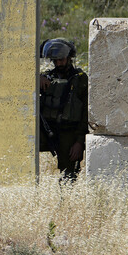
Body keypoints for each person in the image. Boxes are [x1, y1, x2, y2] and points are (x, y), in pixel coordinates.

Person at [39, 38, 89, 180]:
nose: (58, 63)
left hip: (69, 133)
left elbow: (85, 113)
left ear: (69, 58)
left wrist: (79, 142)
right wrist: (37, 78)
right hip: (47, 129)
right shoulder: (47, 77)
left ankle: (66, 199)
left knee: (69, 175)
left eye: (61, 59)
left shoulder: (80, 80)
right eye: (55, 60)